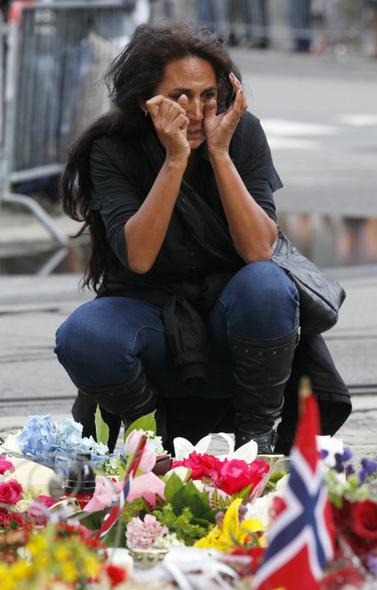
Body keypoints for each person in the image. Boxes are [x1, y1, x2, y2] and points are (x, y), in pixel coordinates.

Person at [55, 23, 351, 455]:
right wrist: (174, 160)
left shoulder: (241, 133)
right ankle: (150, 445)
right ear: (144, 102)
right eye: (180, 96)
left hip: (237, 322)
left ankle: (256, 442)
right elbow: (138, 256)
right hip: (148, 315)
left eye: (207, 95)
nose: (195, 111)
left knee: (268, 285)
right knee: (83, 335)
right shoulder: (113, 147)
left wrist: (220, 154)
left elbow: (259, 250)